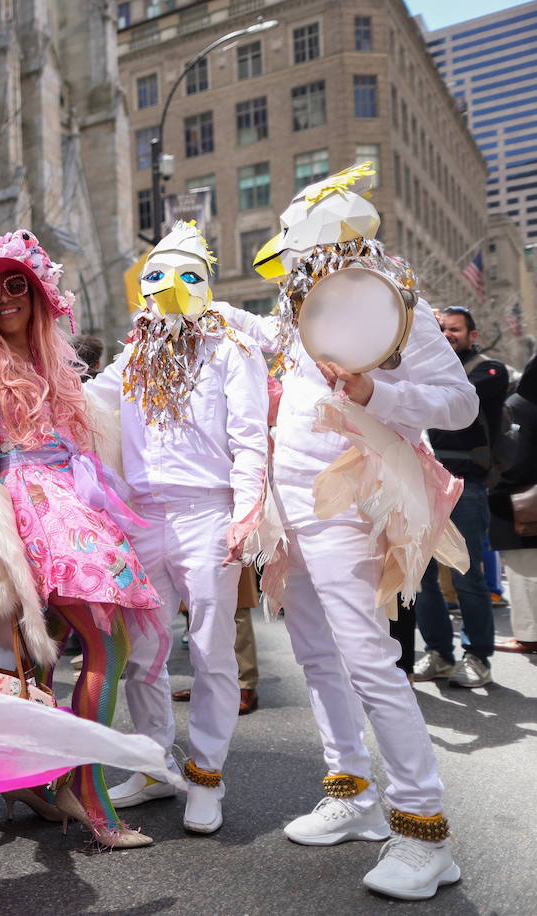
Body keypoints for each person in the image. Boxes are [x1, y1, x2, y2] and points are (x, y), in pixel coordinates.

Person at [225, 162, 475, 900]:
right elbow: (274, 351)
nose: (293, 257)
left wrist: (379, 390)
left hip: (347, 501)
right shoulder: (304, 307)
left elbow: (458, 404)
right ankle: (354, 795)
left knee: (368, 660)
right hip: (290, 501)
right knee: (314, 655)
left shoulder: (399, 304)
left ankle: (424, 829)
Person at [0, 228, 162, 848]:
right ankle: (92, 800)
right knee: (105, 648)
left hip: (77, 508)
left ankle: (55, 782)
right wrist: (1, 567)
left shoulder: (52, 366)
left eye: (17, 284)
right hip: (36, 520)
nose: (6, 298)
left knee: (85, 650)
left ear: (38, 293)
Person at [83, 221, 269, 835]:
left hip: (208, 513)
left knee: (213, 652)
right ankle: (156, 762)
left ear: (206, 284)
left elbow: (248, 439)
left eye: (186, 275)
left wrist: (246, 514)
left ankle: (208, 774)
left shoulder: (229, 351)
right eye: (156, 276)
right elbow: (81, 400)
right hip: (144, 518)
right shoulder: (134, 357)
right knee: (144, 653)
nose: (167, 288)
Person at [412, 307, 509, 687]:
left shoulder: (489, 371)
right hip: (420, 484)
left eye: (454, 329)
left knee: (467, 576)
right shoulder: (424, 371)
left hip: (466, 485)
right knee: (422, 576)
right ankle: (438, 653)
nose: (447, 334)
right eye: (441, 329)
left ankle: (478, 657)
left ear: (472, 334)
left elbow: (458, 407)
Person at [492, 354, 537, 653]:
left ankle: (528, 636)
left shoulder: (518, 406)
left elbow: (513, 460)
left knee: (525, 572)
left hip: (520, 503)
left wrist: (495, 483)